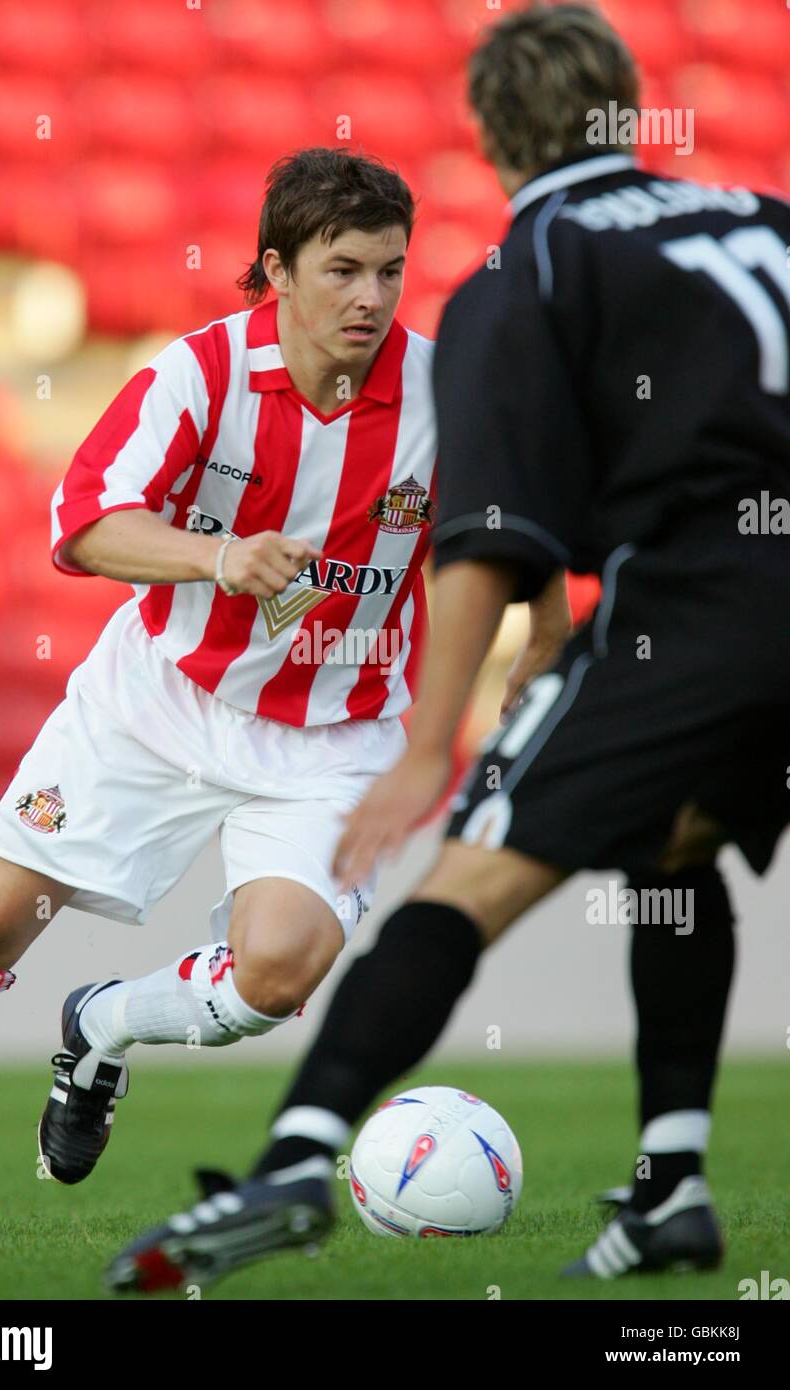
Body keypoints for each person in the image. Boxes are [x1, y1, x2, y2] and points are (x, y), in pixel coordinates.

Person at [108, 4, 790, 1292]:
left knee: (459, 888)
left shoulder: (528, 269)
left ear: (491, 136)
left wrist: (429, 750)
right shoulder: (763, 221)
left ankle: (299, 1155)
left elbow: (489, 531)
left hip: (706, 609)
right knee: (676, 842)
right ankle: (671, 1181)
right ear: (630, 108)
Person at [0, 148, 438, 1209]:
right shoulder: (199, 373)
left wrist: (547, 639)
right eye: (342, 270)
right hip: (160, 699)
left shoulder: (443, 395)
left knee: (275, 975)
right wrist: (218, 556)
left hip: (332, 731)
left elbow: (507, 533)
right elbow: (87, 522)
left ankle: (100, 1025)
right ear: (276, 270)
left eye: (388, 269)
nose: (370, 296)